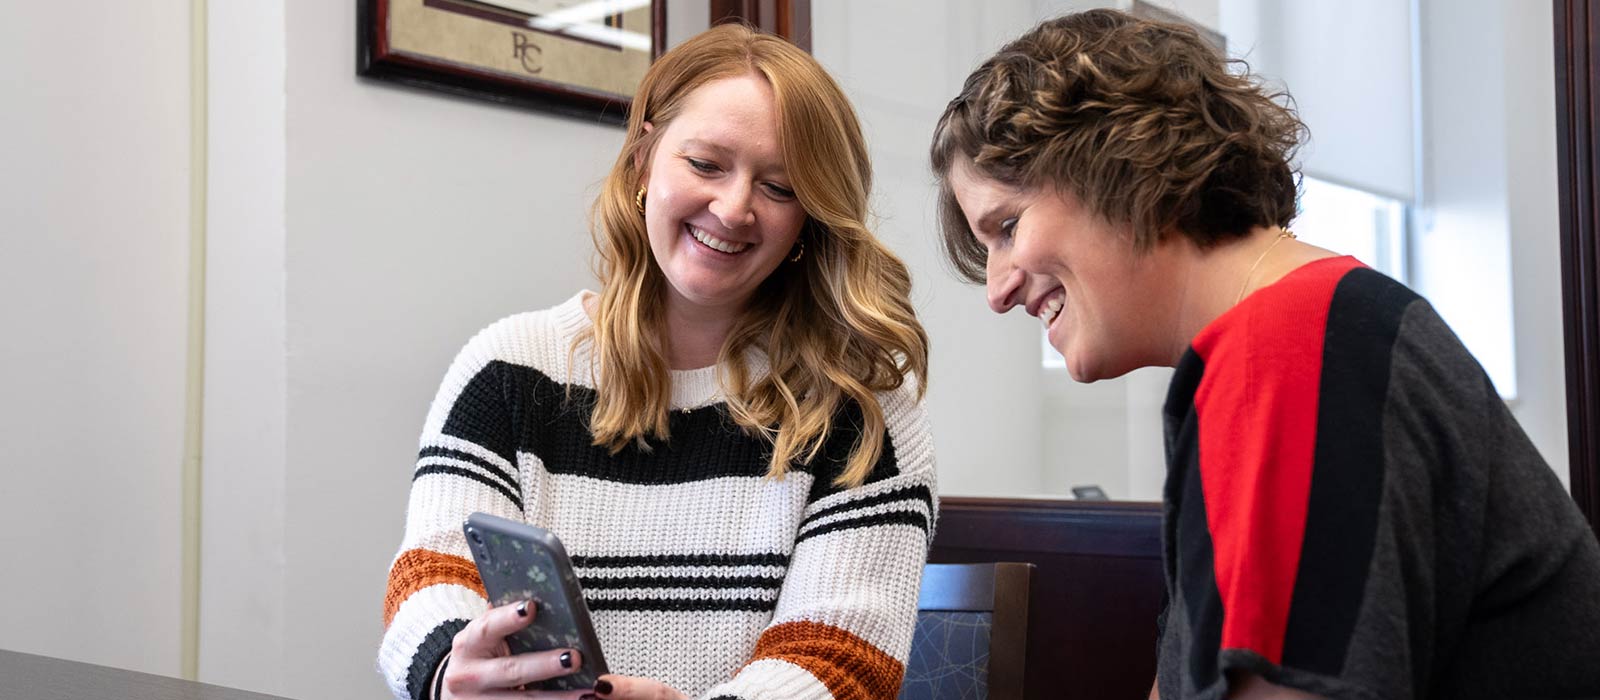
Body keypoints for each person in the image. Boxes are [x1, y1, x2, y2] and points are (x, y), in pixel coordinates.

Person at [930, 9, 1600, 700]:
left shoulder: (1290, 350)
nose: (997, 290)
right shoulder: (1290, 337)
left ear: (1119, 163)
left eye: (1007, 227)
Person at [378, 23, 936, 700]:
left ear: (810, 220)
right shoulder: (506, 372)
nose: (733, 209)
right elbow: (433, 579)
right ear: (644, 159)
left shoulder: (862, 417)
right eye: (705, 165)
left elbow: (838, 665)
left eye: (781, 188)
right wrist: (452, 673)